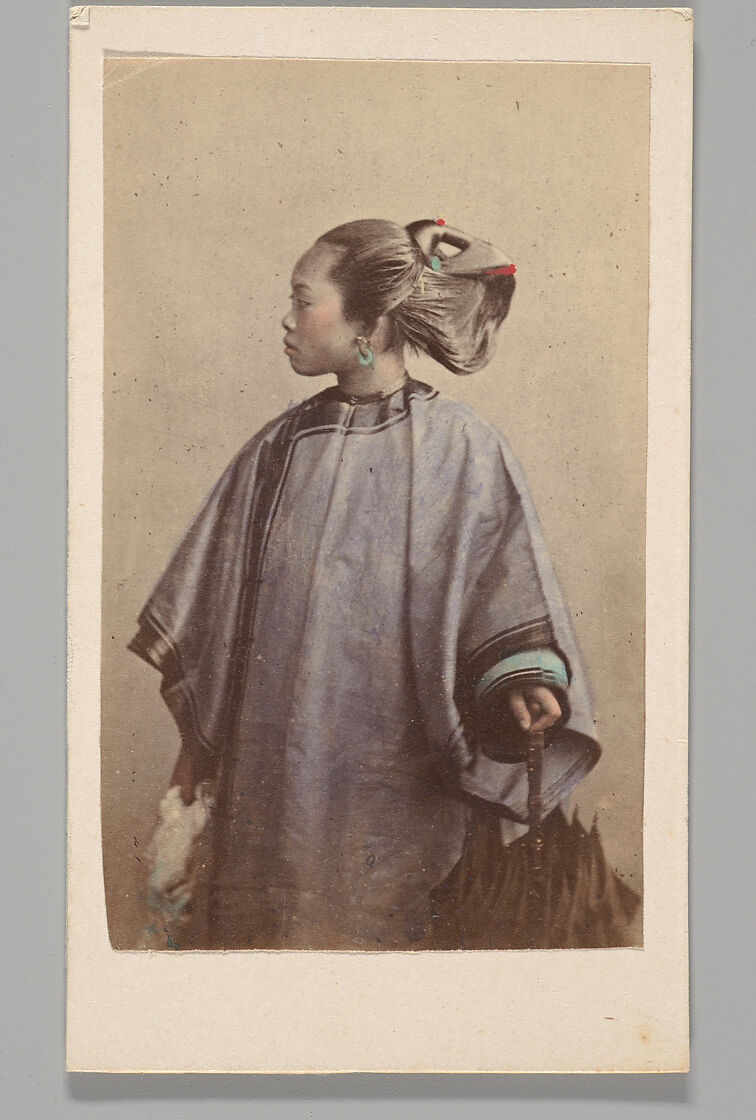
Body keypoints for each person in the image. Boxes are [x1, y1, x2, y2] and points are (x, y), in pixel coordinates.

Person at [129, 217, 636, 951]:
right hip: (268, 777)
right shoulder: (272, 453)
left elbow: (504, 592)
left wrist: (520, 680)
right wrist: (190, 773)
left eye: (304, 300)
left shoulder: (461, 448)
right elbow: (209, 633)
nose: (288, 317)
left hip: (401, 782)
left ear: (368, 322)